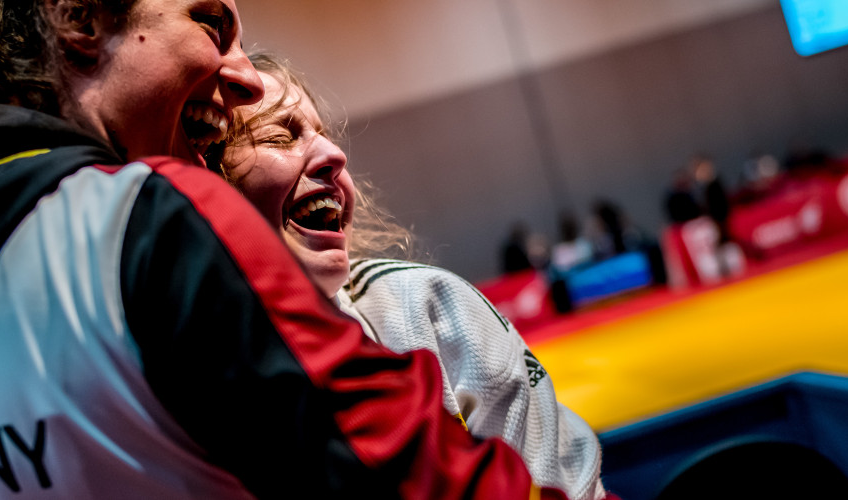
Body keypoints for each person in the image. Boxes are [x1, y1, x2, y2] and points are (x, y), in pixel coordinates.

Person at [0, 1, 562, 498]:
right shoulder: (136, 224)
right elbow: (419, 480)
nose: (241, 73)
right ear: (80, 18)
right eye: (210, 22)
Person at [216, 53, 608, 500]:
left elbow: (562, 482)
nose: (334, 155)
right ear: (209, 184)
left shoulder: (425, 307)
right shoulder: (182, 382)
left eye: (323, 134)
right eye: (280, 135)